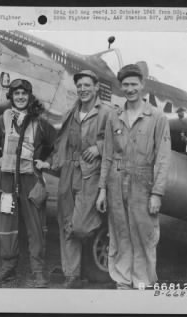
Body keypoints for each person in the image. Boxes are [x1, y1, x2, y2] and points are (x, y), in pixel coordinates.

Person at [96, 64, 171, 290]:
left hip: (143, 184)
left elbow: (163, 158)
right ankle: (122, 280)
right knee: (120, 233)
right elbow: (107, 155)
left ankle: (142, 282)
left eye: (134, 84)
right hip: (116, 183)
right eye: (125, 85)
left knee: (144, 236)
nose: (129, 89)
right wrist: (102, 189)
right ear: (121, 87)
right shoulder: (114, 116)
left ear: (142, 85)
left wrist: (157, 193)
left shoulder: (157, 117)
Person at [0, 79, 56, 288]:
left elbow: (58, 144)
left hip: (31, 180)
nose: (20, 97)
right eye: (16, 94)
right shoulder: (2, 120)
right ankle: (8, 267)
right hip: (7, 180)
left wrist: (47, 162)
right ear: (11, 97)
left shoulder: (40, 122)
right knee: (6, 223)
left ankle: (38, 271)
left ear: (29, 96)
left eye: (24, 93)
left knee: (36, 226)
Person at [49, 70, 112, 288]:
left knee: (79, 227)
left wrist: (99, 147)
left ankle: (104, 232)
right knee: (64, 221)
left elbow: (123, 139)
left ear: (96, 87)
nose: (83, 89)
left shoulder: (107, 112)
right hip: (69, 170)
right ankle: (72, 275)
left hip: (90, 174)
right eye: (80, 86)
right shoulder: (71, 112)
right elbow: (61, 140)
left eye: (87, 85)